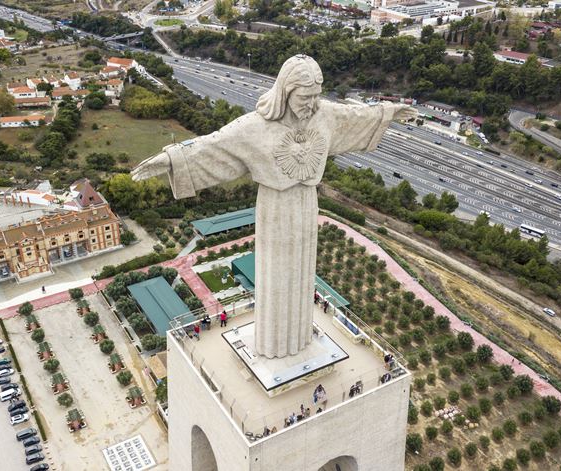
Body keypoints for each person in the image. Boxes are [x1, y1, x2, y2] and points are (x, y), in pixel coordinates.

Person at [131, 54, 417, 359]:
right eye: (304, 97)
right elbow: (213, 145)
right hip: (275, 209)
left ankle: (299, 341)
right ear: (286, 91)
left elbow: (357, 118)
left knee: (302, 272)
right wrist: (171, 159)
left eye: (316, 96)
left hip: (307, 205)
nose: (311, 103)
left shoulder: (324, 115)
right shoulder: (256, 126)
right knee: (276, 276)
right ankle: (273, 345)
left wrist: (388, 112)